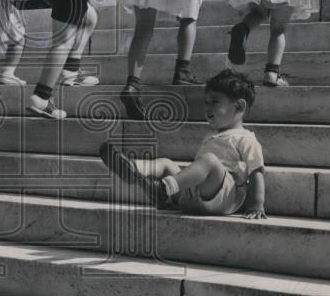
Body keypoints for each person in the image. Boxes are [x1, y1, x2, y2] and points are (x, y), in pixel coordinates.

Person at [99, 69, 266, 218]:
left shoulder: (246, 139)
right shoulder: (212, 136)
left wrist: (256, 205)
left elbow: (256, 172)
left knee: (209, 160)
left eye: (214, 102)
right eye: (206, 102)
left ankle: (163, 190)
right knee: (166, 163)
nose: (207, 107)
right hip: (195, 197)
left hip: (224, 198)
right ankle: (135, 169)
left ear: (239, 107)